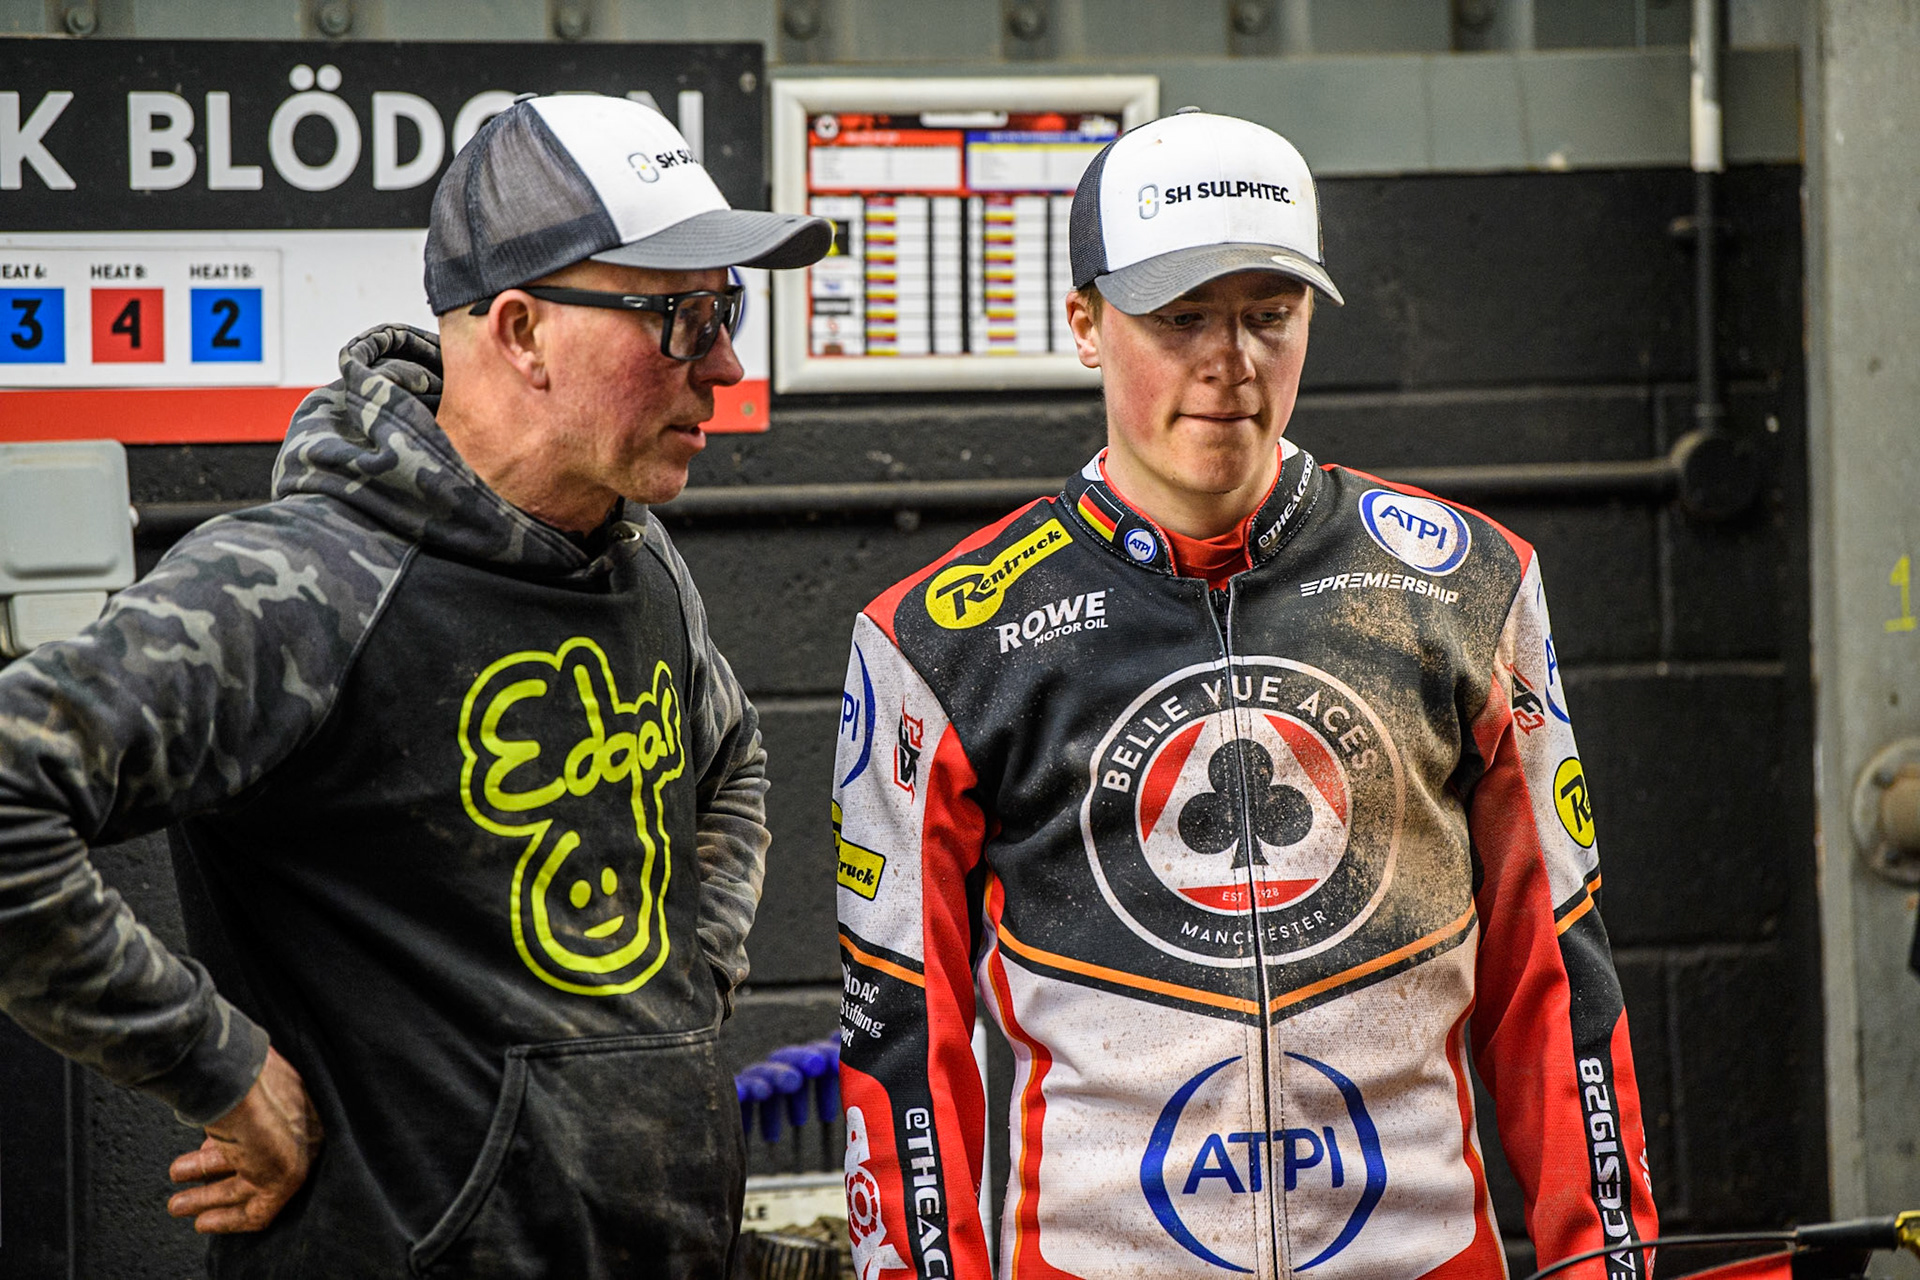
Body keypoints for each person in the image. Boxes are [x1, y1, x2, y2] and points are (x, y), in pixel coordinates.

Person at [0, 95, 829, 1276]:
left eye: (727, 310)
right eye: (682, 318)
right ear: (522, 328)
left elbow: (731, 756)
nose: (729, 365)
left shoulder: (638, 559)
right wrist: (219, 1065)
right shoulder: (299, 583)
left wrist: (684, 991)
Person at [832, 109, 1658, 1278]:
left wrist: (1603, 1262)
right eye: (1181, 318)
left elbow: (1555, 975)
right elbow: (905, 1045)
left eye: (1270, 315)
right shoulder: (940, 637)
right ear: (1083, 322)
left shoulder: (1467, 582)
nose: (1233, 360)